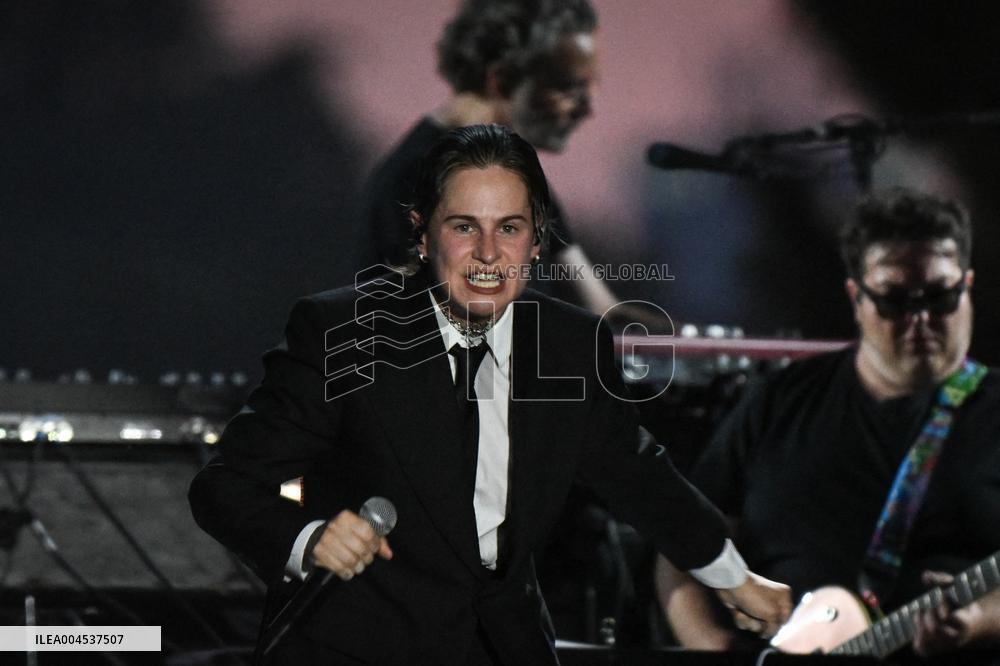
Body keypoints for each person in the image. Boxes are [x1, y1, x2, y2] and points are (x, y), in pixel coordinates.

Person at [190, 124, 790, 665]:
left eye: (509, 228)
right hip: (357, 650)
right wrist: (310, 538)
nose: (487, 254)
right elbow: (224, 485)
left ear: (536, 242)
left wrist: (734, 577)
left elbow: (638, 476)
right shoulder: (346, 334)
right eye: (463, 227)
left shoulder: (570, 346)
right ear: (422, 235)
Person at [655, 188, 1000, 663]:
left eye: (941, 297)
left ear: (968, 284)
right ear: (856, 296)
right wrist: (714, 647)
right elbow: (683, 554)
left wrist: (978, 621)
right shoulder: (780, 401)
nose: (920, 319)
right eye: (895, 301)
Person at [364, 0, 645, 323]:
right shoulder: (414, 176)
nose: (585, 109)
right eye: (568, 88)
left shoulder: (522, 178)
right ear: (501, 81)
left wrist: (692, 344)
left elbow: (602, 309)